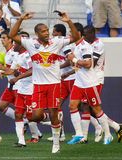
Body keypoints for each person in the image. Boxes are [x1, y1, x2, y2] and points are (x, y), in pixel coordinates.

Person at [9, 12, 80, 153]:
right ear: (37, 33)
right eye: (43, 31)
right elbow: (12, 35)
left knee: (54, 113)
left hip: (54, 84)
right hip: (38, 85)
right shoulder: (31, 44)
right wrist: (21, 18)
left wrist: (68, 21)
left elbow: (76, 37)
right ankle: (52, 118)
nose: (47, 33)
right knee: (35, 116)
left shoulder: (57, 42)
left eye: (47, 30)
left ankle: (55, 144)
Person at [82, 25, 122, 143]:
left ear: (92, 33)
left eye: (85, 35)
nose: (84, 37)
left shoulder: (98, 44)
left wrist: (77, 63)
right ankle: (116, 127)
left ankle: (102, 131)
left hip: (96, 79)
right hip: (88, 79)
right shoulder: (86, 45)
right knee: (86, 107)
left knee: (91, 107)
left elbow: (91, 63)